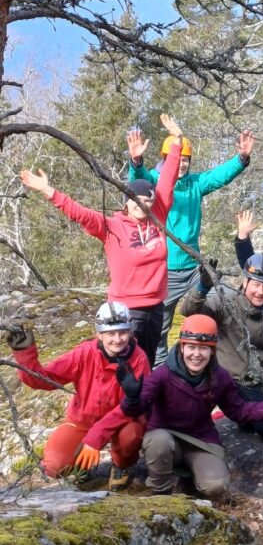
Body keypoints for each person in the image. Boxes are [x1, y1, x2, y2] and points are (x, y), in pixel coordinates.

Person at [20, 114, 183, 366]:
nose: (144, 205)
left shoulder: (157, 215)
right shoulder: (112, 226)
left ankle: (142, 403)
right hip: (126, 311)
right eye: (137, 200)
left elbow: (168, 180)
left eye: (148, 200)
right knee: (120, 365)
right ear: (127, 202)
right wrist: (47, 191)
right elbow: (79, 213)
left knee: (146, 364)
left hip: (156, 308)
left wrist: (177, 140)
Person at [85, 315, 263, 498]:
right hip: (165, 438)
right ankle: (161, 492)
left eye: (203, 348)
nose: (196, 354)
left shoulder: (220, 377)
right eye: (191, 347)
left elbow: (237, 410)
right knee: (158, 440)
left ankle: (189, 474)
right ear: (182, 347)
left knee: (216, 487)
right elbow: (135, 409)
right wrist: (129, 402)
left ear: (212, 351)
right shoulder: (162, 375)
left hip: (201, 441)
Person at [127, 125, 255, 368]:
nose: (182, 164)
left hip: (194, 267)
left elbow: (220, 175)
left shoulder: (195, 183)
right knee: (160, 326)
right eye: (178, 158)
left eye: (186, 160)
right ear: (165, 159)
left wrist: (241, 159)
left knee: (221, 306)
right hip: (165, 269)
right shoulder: (155, 181)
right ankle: (157, 372)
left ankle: (215, 364)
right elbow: (139, 182)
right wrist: (135, 161)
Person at [4, 302, 149, 489]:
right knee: (54, 467)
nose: (117, 339)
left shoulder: (139, 359)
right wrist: (25, 354)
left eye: (122, 333)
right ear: (99, 334)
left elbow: (136, 406)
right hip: (83, 419)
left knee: (132, 434)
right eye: (110, 334)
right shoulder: (85, 353)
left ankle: (122, 465)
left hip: (123, 420)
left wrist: (96, 437)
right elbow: (45, 379)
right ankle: (81, 466)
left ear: (130, 333)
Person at [179, 252, 263, 426]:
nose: (260, 292)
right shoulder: (225, 301)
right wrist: (202, 288)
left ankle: (242, 414)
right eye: (256, 285)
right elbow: (188, 312)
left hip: (252, 383)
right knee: (187, 421)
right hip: (217, 378)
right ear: (245, 281)